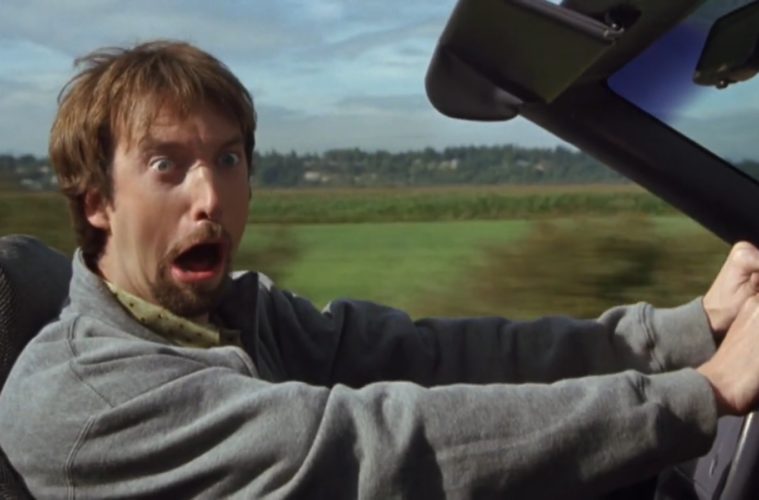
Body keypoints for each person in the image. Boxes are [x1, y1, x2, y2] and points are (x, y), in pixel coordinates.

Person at [1, 40, 759, 500]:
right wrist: (709, 392)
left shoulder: (238, 314)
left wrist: (691, 328)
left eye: (227, 159)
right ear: (97, 202)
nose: (210, 198)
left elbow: (431, 357)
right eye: (166, 165)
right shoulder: (88, 403)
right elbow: (377, 447)